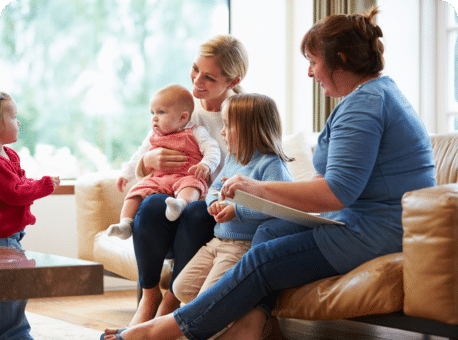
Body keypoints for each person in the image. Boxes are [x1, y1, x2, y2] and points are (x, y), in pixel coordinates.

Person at [101, 7, 437, 340]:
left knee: (263, 258)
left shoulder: (364, 106)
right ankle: (252, 324)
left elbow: (336, 192)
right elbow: (334, 185)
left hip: (373, 232)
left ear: (343, 60)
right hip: (362, 221)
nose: (310, 72)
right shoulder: (371, 96)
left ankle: (160, 331)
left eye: (314, 61)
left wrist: (257, 188)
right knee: (270, 231)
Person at [126, 35, 249, 326]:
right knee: (154, 204)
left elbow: (251, 167)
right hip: (172, 194)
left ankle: (171, 300)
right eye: (195, 69)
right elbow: (144, 152)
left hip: (212, 204)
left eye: (209, 77)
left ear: (233, 81)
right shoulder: (182, 104)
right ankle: (149, 296)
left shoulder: (243, 112)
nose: (197, 81)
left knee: (196, 212)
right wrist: (148, 162)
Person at [173, 93, 294, 304]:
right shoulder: (233, 159)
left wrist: (236, 210)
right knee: (181, 289)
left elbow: (278, 207)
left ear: (250, 129)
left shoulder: (271, 165)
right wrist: (213, 204)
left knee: (207, 299)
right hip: (218, 241)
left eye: (228, 125)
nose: (222, 132)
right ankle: (232, 313)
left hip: (242, 247)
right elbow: (214, 189)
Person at [107, 84, 221, 239]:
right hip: (159, 179)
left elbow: (212, 149)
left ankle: (180, 204)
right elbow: (139, 154)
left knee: (193, 185)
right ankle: (125, 224)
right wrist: (126, 175)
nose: (154, 118)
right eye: (152, 112)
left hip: (186, 175)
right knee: (137, 191)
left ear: (183, 117)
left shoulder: (195, 131)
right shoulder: (152, 136)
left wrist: (206, 164)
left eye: (161, 112)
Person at [0, 92, 60, 340]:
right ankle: (15, 334)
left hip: (12, 235)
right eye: (14, 117)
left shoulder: (9, 155)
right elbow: (14, 193)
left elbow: (21, 182)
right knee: (13, 289)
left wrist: (37, 183)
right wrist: (45, 185)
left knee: (13, 286)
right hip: (3, 239)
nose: (19, 123)